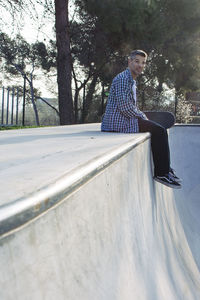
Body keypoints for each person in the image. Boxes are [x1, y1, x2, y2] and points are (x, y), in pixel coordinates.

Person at [101, 49, 181, 189]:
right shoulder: (122, 79)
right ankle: (162, 173)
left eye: (143, 63)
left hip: (123, 120)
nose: (140, 65)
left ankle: (166, 169)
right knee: (159, 131)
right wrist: (142, 116)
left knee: (156, 128)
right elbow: (125, 107)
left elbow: (128, 106)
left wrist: (141, 116)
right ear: (129, 62)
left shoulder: (130, 79)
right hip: (119, 123)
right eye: (137, 61)